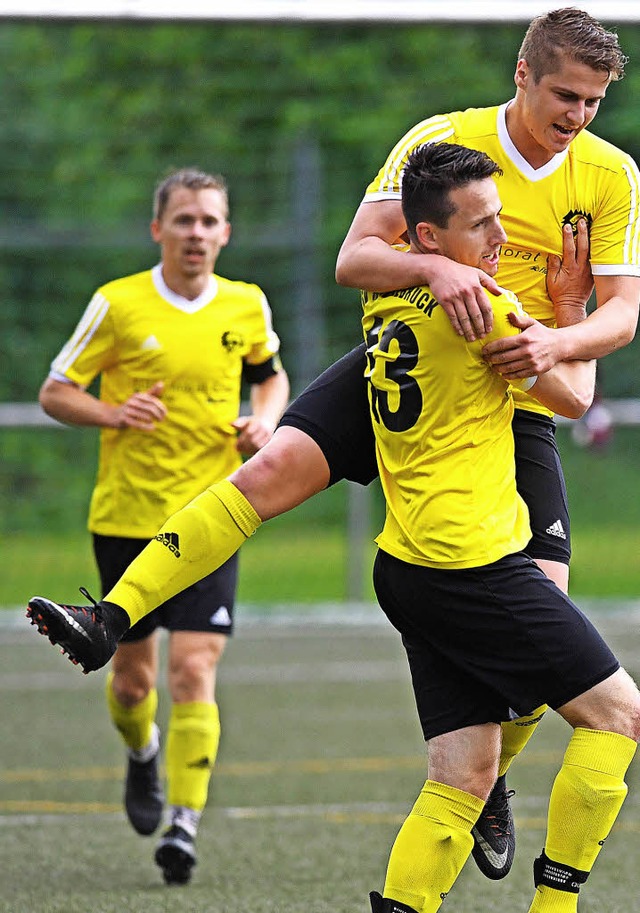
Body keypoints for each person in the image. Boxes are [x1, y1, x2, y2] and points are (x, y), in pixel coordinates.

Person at [26, 6, 639, 882]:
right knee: (268, 467)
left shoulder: (611, 176)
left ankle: (488, 779)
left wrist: (553, 334)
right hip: (411, 355)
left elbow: (620, 313)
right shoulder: (441, 141)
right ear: (521, 74)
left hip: (516, 371)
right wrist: (438, 268)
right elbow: (357, 257)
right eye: (564, 95)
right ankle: (108, 618)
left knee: (547, 618)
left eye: (593, 101)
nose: (577, 116)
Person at [362, 140, 640, 913]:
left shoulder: (383, 291)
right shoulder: (486, 309)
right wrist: (570, 308)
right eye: (482, 224)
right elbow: (576, 396)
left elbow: (361, 254)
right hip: (470, 563)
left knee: (462, 779)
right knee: (619, 714)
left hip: (406, 561)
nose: (502, 240)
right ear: (428, 239)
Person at [34, 167, 290, 885]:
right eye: (184, 220)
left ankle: (184, 820)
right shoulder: (117, 304)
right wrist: (112, 413)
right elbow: (55, 391)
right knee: (131, 681)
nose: (197, 234)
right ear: (158, 229)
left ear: (227, 232)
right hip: (127, 520)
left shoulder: (247, 303)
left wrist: (263, 421)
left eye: (210, 221)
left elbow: (271, 374)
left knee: (194, 667)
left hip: (212, 518)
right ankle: (143, 753)